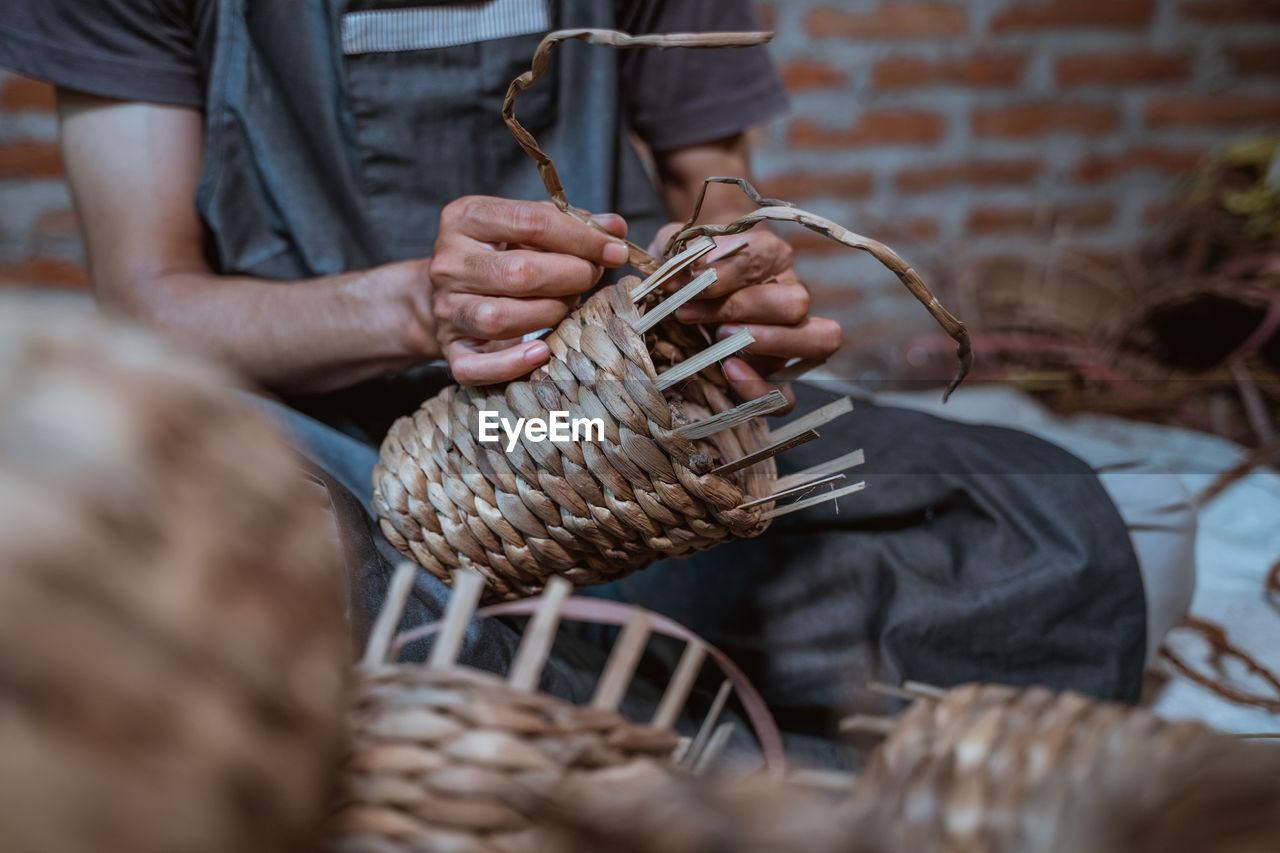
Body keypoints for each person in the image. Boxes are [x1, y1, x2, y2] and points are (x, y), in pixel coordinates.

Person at [0, 0, 1193, 766]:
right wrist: (420, 304)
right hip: (314, 421)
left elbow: (713, 206)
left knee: (1036, 525)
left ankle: (501, 683)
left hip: (573, 435)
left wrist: (715, 305)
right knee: (223, 565)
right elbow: (146, 295)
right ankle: (594, 676)